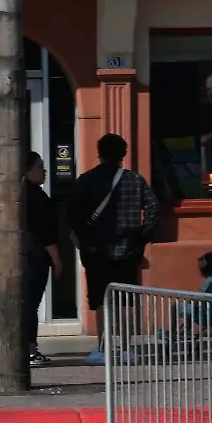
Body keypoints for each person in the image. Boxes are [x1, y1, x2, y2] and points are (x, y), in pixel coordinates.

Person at [67, 133, 159, 365]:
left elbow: (73, 215)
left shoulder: (86, 181)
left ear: (99, 153)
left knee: (100, 299)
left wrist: (87, 242)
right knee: (127, 299)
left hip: (96, 251)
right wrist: (141, 238)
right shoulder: (135, 181)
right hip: (128, 250)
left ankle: (104, 348)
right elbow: (153, 210)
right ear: (123, 154)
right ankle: (127, 349)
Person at [23, 152, 65, 368]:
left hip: (25, 255)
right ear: (27, 170)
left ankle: (27, 347)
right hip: (36, 256)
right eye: (39, 167)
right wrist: (57, 259)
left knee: (26, 304)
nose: (44, 171)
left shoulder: (21, 195)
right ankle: (30, 348)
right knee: (31, 304)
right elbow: (46, 234)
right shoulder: (38, 199)